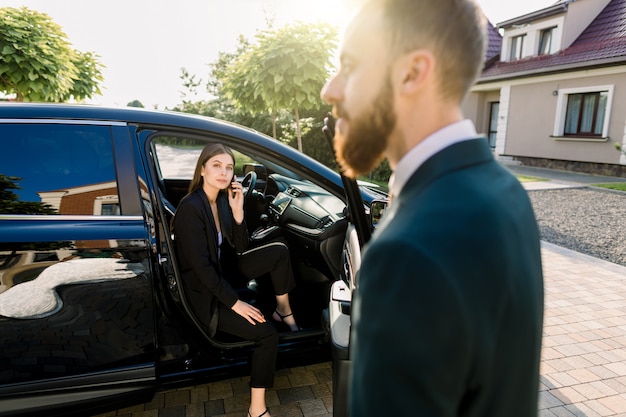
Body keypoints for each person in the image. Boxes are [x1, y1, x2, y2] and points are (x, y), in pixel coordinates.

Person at [321, 0, 544, 416]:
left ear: (412, 72)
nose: (329, 89)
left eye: (350, 66)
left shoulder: (405, 253)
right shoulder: (506, 192)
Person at [173, 143, 299, 417]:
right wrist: (235, 303)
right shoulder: (190, 209)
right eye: (216, 165)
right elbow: (201, 270)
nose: (224, 172)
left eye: (229, 167)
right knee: (266, 334)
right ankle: (257, 410)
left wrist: (238, 211)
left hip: (223, 272)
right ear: (203, 169)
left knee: (278, 251)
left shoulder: (220, 200)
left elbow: (240, 248)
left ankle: (283, 310)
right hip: (206, 296)